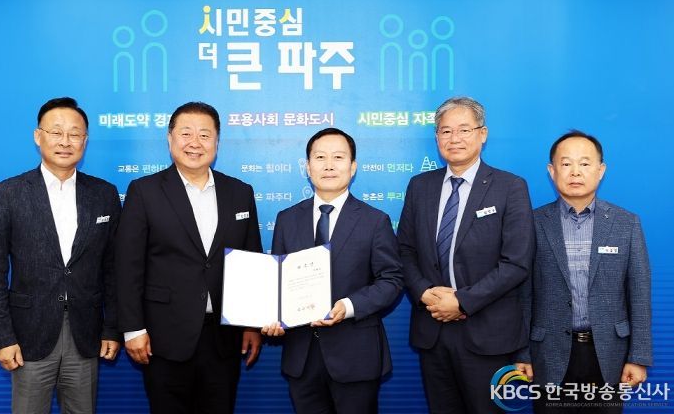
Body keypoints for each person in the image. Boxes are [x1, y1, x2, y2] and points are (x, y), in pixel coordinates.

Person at [115, 101, 263, 413]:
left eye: (205, 135)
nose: (195, 142)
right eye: (186, 133)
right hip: (163, 337)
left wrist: (252, 325)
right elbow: (128, 266)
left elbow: (251, 262)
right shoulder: (144, 191)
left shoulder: (240, 192)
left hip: (224, 337)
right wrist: (133, 329)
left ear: (217, 142)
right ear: (170, 139)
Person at [0, 97, 121, 413]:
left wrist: (112, 327)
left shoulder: (104, 194)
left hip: (86, 333)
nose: (65, 141)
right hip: (28, 334)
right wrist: (3, 337)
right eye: (56, 132)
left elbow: (112, 268)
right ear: (38, 136)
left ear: (85, 140)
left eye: (74, 134)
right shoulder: (9, 193)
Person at [397, 96, 535, 413]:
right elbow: (404, 250)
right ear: (436, 137)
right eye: (446, 131)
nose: (454, 138)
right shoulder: (420, 186)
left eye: (464, 129)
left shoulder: (510, 187)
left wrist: (461, 302)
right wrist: (424, 293)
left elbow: (516, 263)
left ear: (482, 134)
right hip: (433, 329)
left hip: (488, 333)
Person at [262, 128, 403, 413]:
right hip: (301, 356)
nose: (329, 165)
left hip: (356, 355)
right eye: (320, 157)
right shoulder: (287, 219)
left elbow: (392, 280)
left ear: (353, 167)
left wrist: (348, 306)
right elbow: (276, 281)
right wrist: (269, 316)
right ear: (307, 167)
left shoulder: (375, 220)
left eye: (338, 157)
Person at [515, 131, 652, 413]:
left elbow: (639, 293)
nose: (575, 172)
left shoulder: (626, 223)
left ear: (600, 171)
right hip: (547, 353)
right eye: (566, 164)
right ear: (552, 171)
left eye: (585, 163)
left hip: (609, 354)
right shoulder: (532, 223)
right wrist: (522, 353)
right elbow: (522, 294)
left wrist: (638, 357)